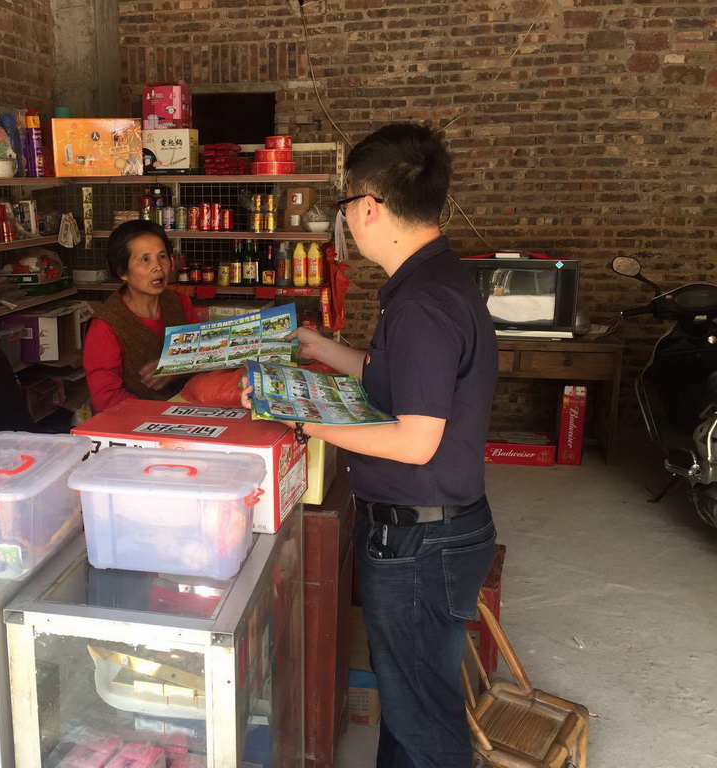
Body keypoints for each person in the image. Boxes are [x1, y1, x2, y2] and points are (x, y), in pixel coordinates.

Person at [245, 123, 498, 767]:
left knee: (423, 718)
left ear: (368, 206)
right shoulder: (430, 279)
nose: (346, 222)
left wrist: (299, 419)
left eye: (345, 205)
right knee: (409, 702)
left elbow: (414, 441)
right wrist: (321, 347)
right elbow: (395, 380)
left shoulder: (422, 303)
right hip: (432, 530)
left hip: (422, 542)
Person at [84, 220, 198, 413]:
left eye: (162, 256)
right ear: (123, 272)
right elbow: (106, 399)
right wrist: (162, 415)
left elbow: (203, 354)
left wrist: (175, 366)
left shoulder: (179, 303)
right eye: (145, 259)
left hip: (189, 411)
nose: (158, 267)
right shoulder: (105, 326)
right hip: (134, 423)